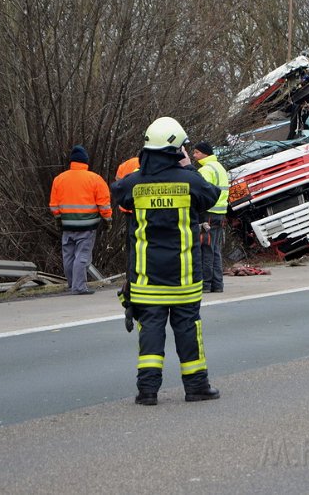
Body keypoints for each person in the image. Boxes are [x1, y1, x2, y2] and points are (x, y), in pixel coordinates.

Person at [110, 117, 222, 405]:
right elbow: (210, 195)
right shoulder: (190, 181)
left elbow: (118, 191)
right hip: (184, 277)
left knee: (150, 332)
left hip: (147, 279)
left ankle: (147, 391)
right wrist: (188, 167)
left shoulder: (135, 182)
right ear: (177, 149)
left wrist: (142, 170)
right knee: (188, 329)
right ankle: (196, 387)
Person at [49, 145, 113, 295]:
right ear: (86, 161)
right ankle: (78, 287)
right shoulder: (95, 179)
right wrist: (107, 220)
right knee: (82, 256)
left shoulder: (59, 179)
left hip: (67, 225)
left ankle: (72, 284)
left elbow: (54, 205)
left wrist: (59, 219)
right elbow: (104, 204)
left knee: (68, 255)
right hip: (87, 225)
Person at [191, 141, 230, 293]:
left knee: (206, 249)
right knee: (215, 249)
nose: (194, 156)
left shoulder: (206, 170)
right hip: (220, 213)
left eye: (197, 153)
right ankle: (217, 284)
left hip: (209, 213)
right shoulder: (219, 167)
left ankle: (206, 284)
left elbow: (202, 193)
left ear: (205, 153)